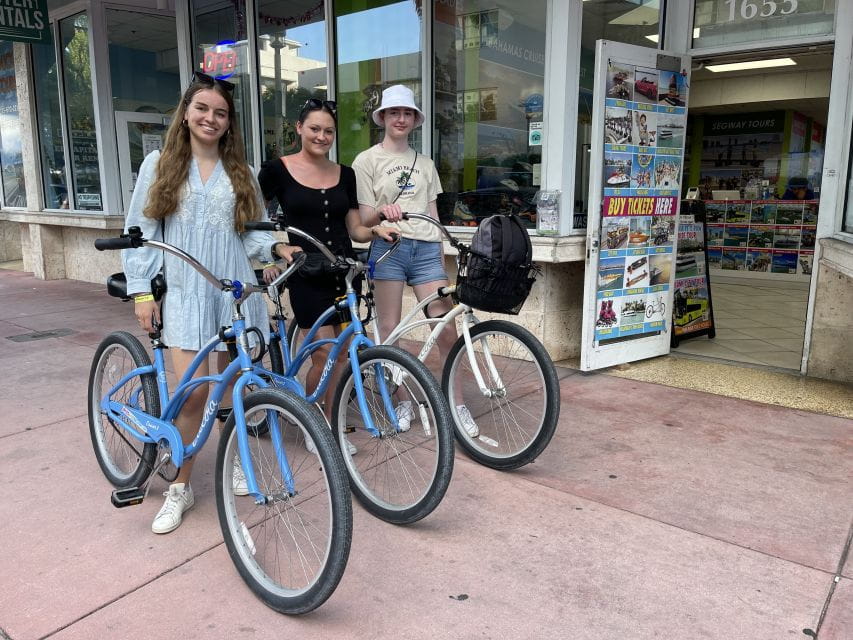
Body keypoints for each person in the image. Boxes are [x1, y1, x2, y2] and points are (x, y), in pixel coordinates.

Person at [123, 72, 295, 535]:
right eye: (202, 109)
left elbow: (255, 232)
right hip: (185, 293)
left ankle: (234, 463)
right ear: (186, 112)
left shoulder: (241, 170)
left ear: (228, 122)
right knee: (196, 394)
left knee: (236, 390)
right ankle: (181, 486)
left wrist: (274, 252)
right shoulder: (159, 165)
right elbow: (141, 233)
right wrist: (142, 290)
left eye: (220, 113)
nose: (210, 118)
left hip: (234, 295)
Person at [257, 98, 397, 445]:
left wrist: (375, 227)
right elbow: (252, 222)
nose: (322, 136)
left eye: (328, 131)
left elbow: (354, 229)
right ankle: (315, 423)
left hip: (344, 273)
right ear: (299, 128)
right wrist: (270, 257)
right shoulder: (275, 170)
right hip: (305, 273)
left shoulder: (345, 174)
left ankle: (331, 420)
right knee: (323, 353)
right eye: (315, 129)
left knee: (345, 353)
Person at [352, 84, 479, 437]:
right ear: (383, 117)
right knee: (391, 331)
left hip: (425, 252)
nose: (401, 118)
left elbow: (433, 214)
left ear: (414, 119)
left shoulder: (425, 163)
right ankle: (402, 397)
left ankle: (456, 404)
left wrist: (440, 255)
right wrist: (382, 214)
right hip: (389, 249)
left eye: (407, 113)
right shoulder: (366, 160)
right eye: (394, 112)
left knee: (446, 328)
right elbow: (363, 219)